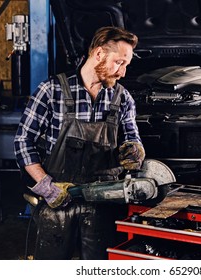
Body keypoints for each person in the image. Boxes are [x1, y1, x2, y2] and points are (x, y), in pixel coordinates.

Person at [14, 26, 145, 260]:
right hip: (59, 201)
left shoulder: (122, 98)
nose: (123, 72)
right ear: (98, 54)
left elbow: (133, 139)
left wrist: (134, 151)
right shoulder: (51, 90)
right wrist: (46, 186)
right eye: (119, 62)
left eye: (126, 65)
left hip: (104, 203)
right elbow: (24, 141)